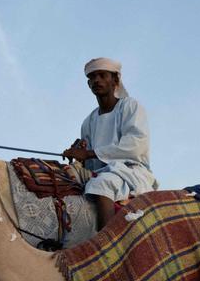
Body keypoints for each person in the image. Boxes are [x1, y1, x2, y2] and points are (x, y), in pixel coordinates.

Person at [61, 58, 157, 228]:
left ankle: (106, 244)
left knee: (102, 183)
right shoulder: (88, 122)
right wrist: (79, 156)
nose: (96, 80)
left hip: (131, 171)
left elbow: (136, 144)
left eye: (102, 75)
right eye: (92, 77)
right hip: (99, 172)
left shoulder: (130, 106)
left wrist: (90, 153)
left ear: (115, 80)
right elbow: (90, 162)